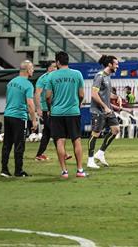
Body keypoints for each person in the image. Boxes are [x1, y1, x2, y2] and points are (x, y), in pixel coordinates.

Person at [45, 51, 87, 179]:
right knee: (76, 140)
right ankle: (80, 170)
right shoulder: (77, 74)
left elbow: (47, 96)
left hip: (57, 113)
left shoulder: (51, 76)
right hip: (73, 112)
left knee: (60, 141)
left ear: (57, 62)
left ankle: (64, 171)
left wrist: (50, 108)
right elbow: (81, 95)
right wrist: (78, 104)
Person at [0, 61, 38, 178]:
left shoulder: (11, 82)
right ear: (27, 70)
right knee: (19, 144)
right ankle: (18, 171)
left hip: (8, 115)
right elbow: (30, 105)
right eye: (32, 68)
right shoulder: (28, 85)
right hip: (19, 117)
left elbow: (7, 99)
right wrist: (34, 120)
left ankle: (4, 170)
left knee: (7, 144)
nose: (33, 70)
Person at [88, 55, 121, 170]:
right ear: (110, 65)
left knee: (116, 130)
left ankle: (100, 153)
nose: (118, 66)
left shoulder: (108, 77)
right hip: (98, 110)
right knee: (95, 134)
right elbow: (94, 94)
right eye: (116, 64)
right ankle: (90, 160)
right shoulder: (99, 76)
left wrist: (116, 97)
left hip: (107, 110)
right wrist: (104, 107)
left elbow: (105, 94)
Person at [34, 60, 58, 161]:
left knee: (47, 134)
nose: (56, 68)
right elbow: (37, 94)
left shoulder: (56, 77)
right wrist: (38, 108)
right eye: (54, 67)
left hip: (54, 109)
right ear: (49, 68)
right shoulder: (42, 79)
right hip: (46, 110)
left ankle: (39, 154)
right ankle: (63, 153)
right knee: (55, 131)